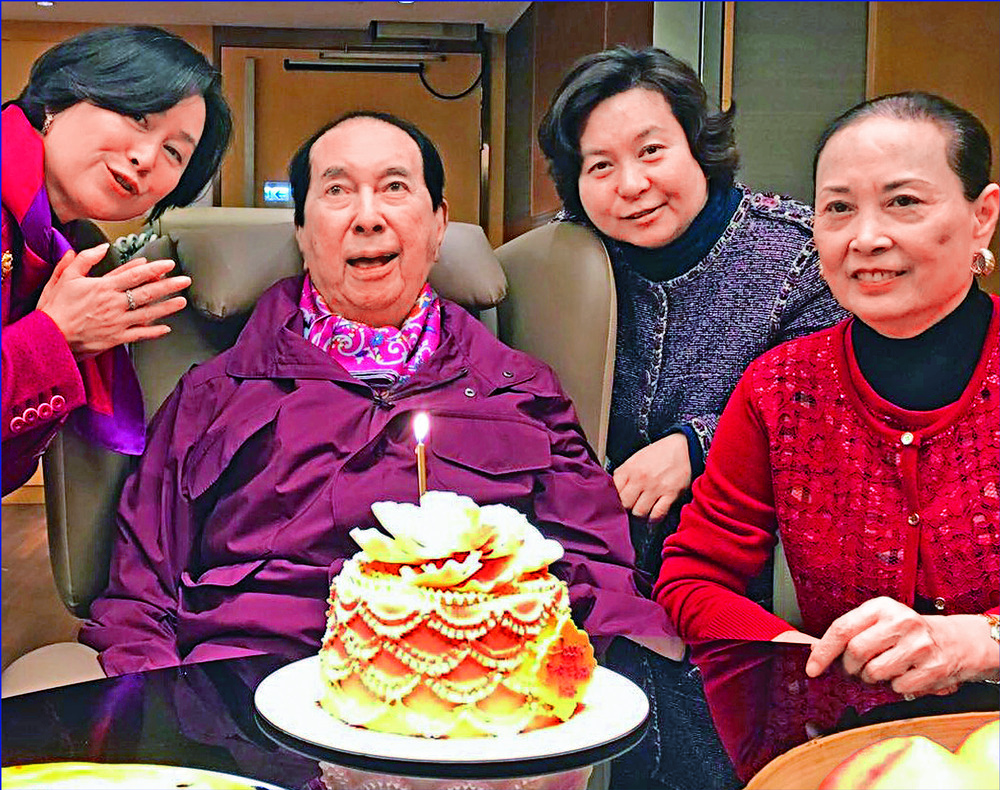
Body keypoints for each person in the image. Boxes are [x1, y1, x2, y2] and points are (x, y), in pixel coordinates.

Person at [78, 111, 678, 677]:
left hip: (478, 700)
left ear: (439, 223)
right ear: (303, 230)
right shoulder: (214, 395)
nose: (367, 217)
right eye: (337, 192)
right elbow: (137, 603)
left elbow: (600, 580)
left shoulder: (521, 390)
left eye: (395, 187)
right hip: (254, 696)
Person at [656, 92, 999, 780]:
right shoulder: (780, 388)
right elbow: (693, 576)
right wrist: (810, 653)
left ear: (981, 216)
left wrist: (980, 642)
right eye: (838, 208)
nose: (865, 237)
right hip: (851, 754)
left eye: (903, 202)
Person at [537, 46, 845, 789]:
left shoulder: (797, 256)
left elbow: (825, 398)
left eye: (652, 151)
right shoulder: (572, 261)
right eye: (600, 166)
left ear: (698, 144)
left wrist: (700, 442)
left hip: (743, 588)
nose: (633, 185)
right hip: (603, 592)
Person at [2, 25, 232, 495]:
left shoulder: (64, 247)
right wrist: (56, 337)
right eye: (135, 115)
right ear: (59, 98)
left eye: (174, 151)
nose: (146, 157)